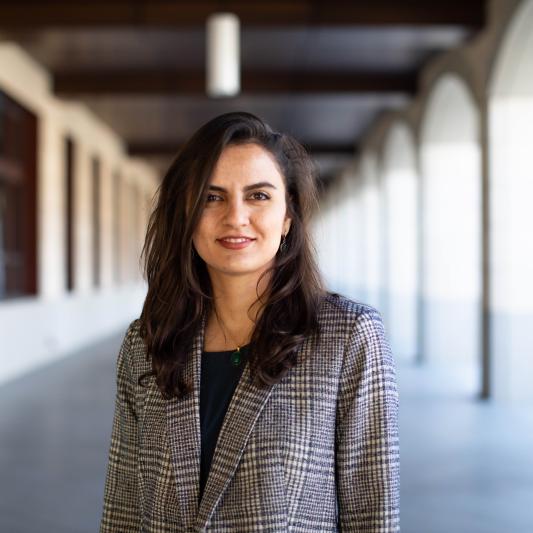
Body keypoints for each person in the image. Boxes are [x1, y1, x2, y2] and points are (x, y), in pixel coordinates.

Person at [99, 111, 400, 533]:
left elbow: (373, 517)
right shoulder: (146, 343)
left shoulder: (348, 337)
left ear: (288, 219)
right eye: (211, 196)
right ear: (185, 216)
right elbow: (123, 510)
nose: (235, 216)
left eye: (258, 196)